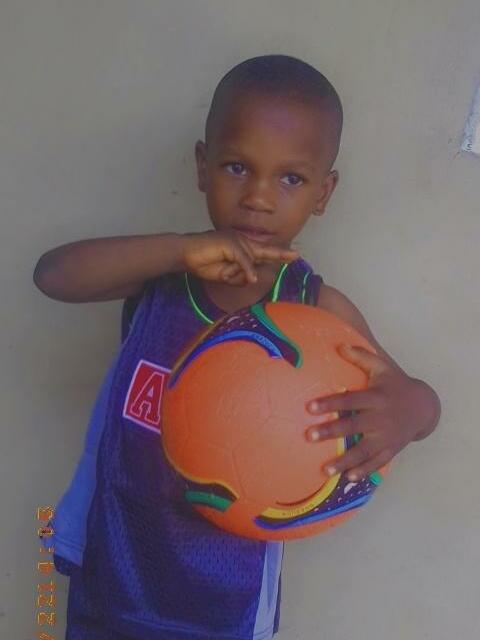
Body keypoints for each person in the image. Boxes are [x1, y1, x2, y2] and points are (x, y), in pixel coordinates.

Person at [34, 54, 441, 640]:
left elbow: (414, 404)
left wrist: (412, 408)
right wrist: (178, 250)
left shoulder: (317, 309)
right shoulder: (163, 275)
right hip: (111, 566)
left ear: (323, 193)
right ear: (202, 166)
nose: (258, 197)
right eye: (236, 167)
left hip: (227, 598)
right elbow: (52, 276)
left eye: (291, 179)